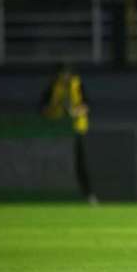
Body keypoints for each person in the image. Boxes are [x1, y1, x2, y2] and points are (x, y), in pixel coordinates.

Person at [40, 63, 96, 204]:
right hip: (55, 132)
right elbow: (42, 108)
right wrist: (54, 110)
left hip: (75, 131)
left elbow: (86, 105)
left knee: (79, 164)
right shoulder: (54, 86)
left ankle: (88, 195)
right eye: (62, 74)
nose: (65, 77)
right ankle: (50, 195)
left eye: (67, 74)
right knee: (52, 164)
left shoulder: (77, 85)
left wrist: (74, 112)